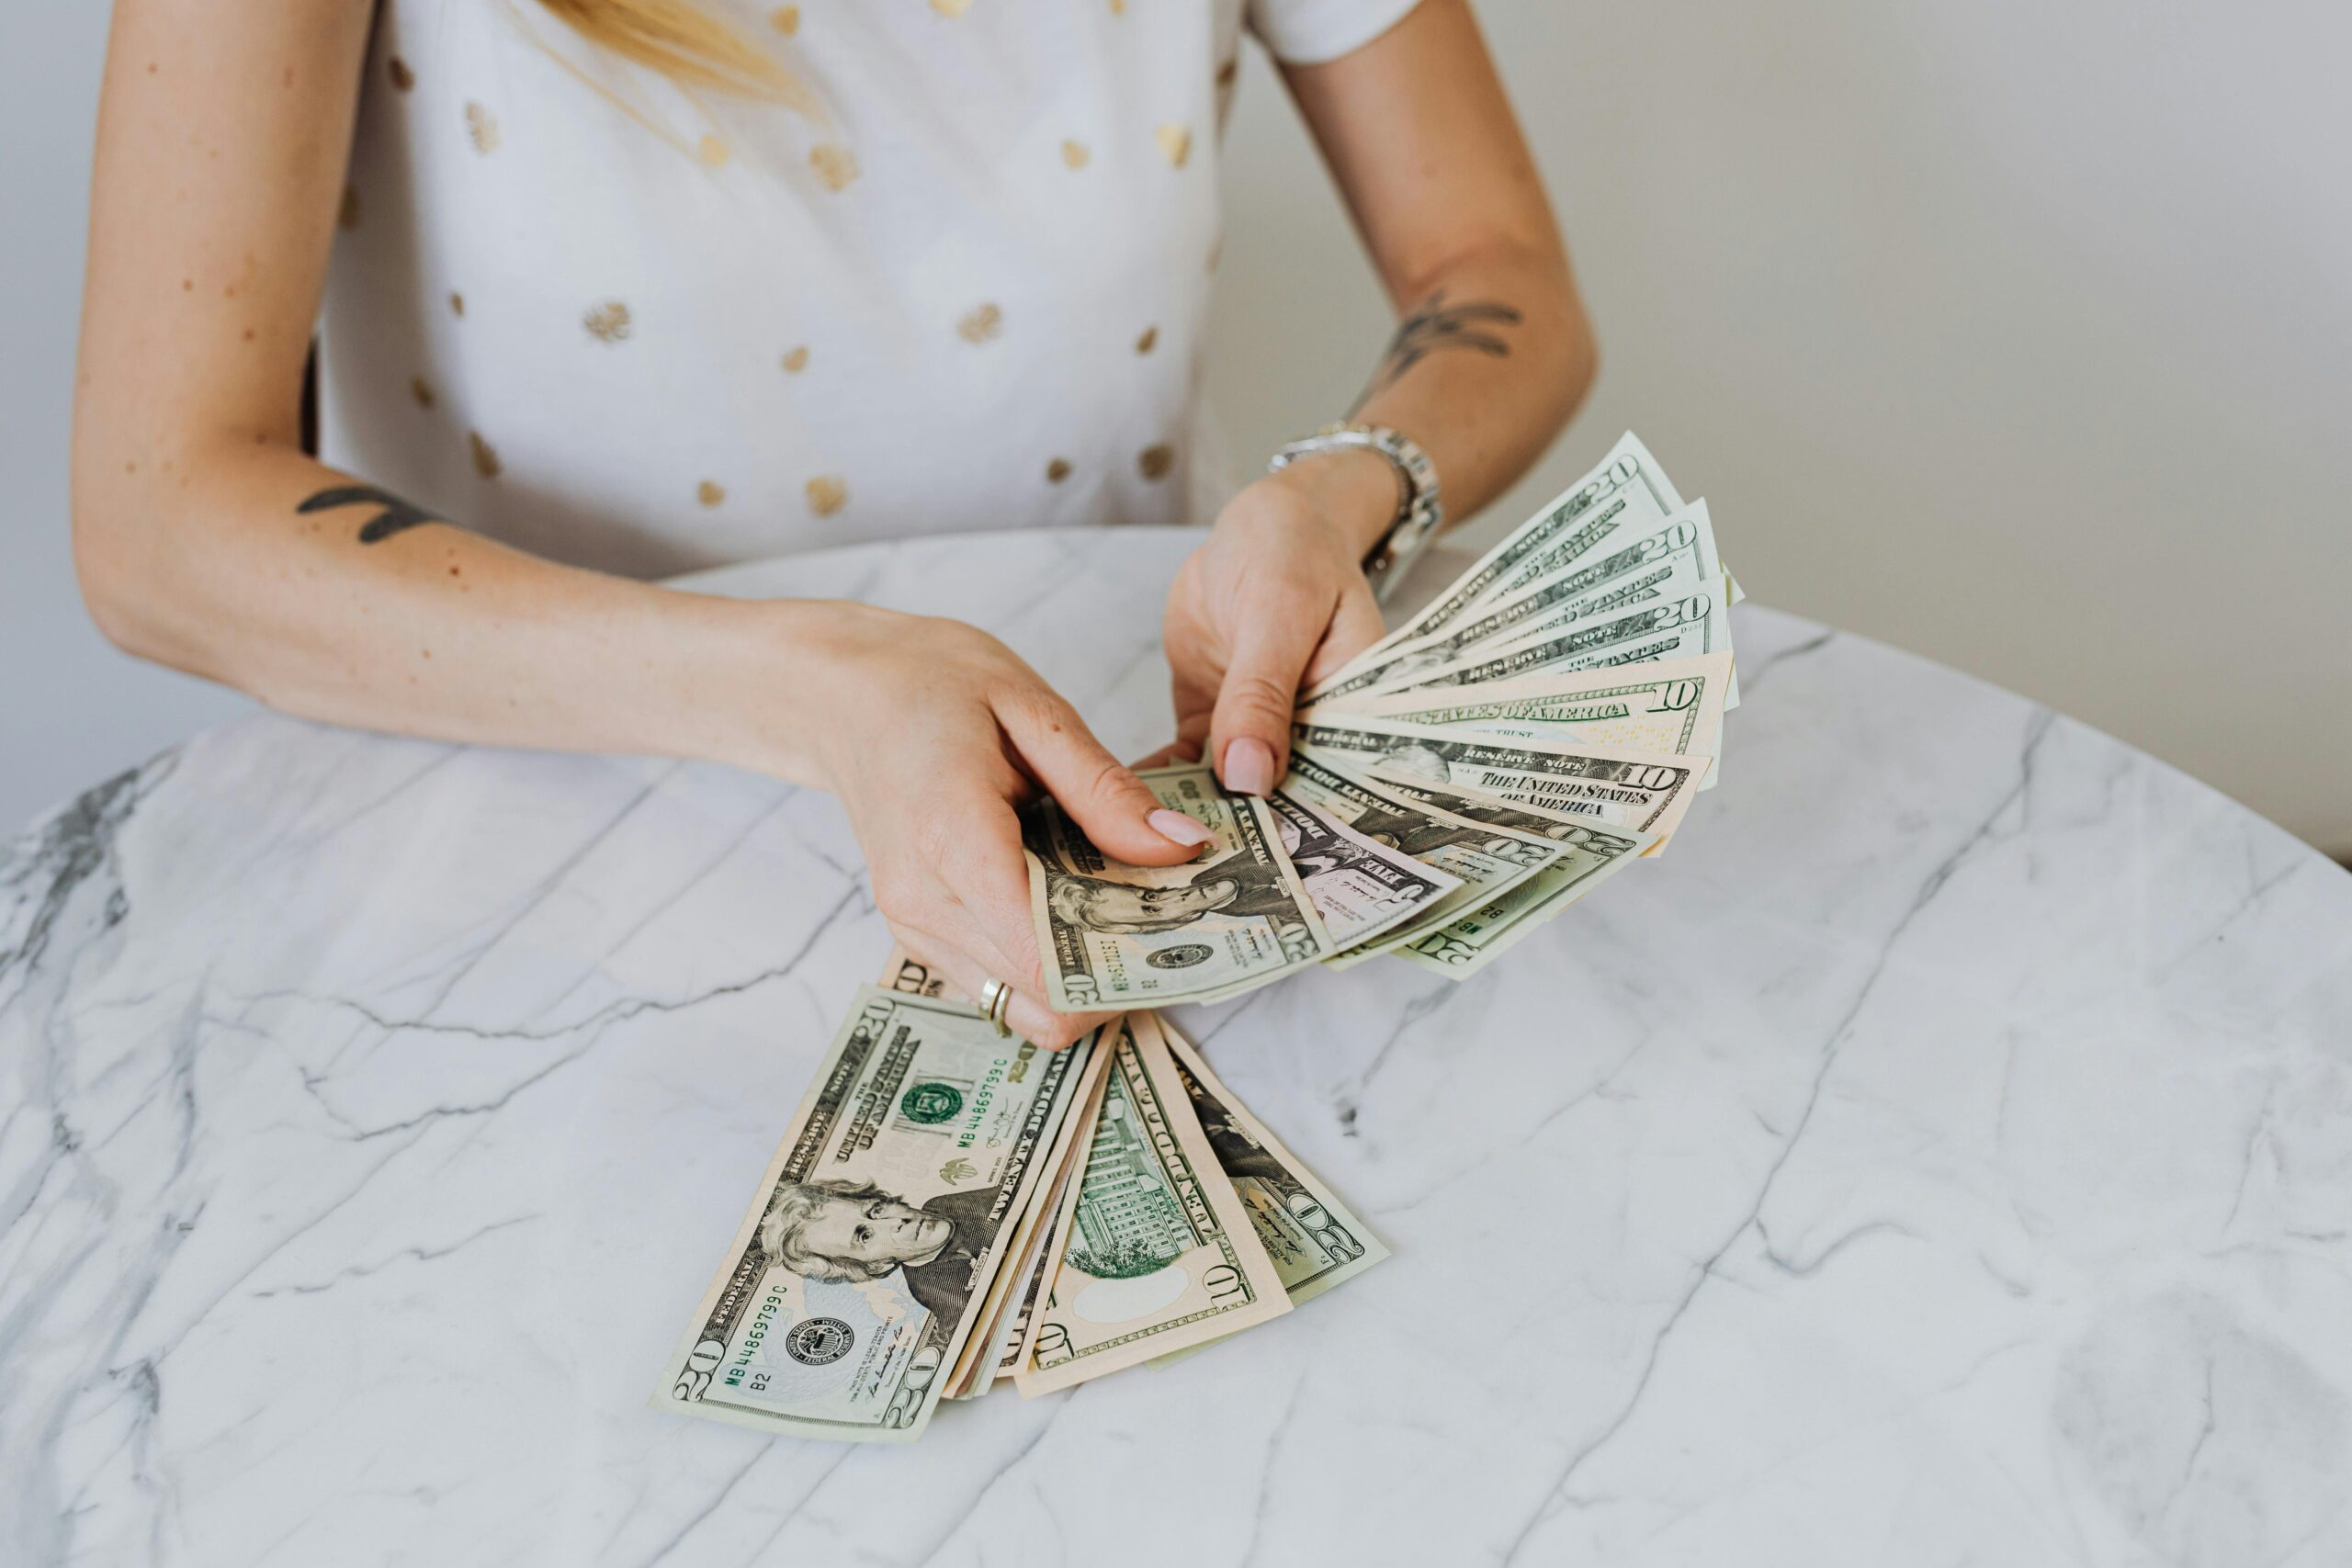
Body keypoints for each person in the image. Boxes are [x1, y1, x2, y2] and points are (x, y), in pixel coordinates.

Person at [71, 0, 1596, 1049]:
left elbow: (1497, 264)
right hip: (509, 888)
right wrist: (823, 688)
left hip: (1102, 807)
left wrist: (1342, 488)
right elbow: (158, 524)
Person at [760, 1178, 996, 1327]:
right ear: (876, 1265)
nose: (896, 1221)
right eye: (866, 1236)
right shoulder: (932, 1290)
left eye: (876, 1210)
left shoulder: (948, 1205)